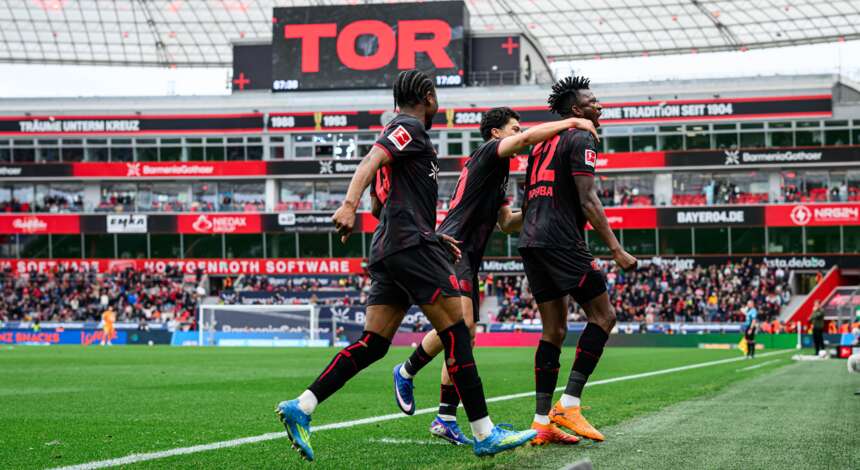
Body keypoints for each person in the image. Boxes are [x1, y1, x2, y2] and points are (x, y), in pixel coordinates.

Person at [275, 70, 535, 461]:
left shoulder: (411, 134)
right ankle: (484, 432)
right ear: (428, 96)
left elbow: (389, 201)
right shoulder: (408, 127)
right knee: (458, 333)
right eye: (437, 97)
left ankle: (303, 406)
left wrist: (430, 235)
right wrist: (349, 204)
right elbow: (371, 159)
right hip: (407, 247)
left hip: (397, 246)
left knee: (373, 343)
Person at [390, 107, 599, 446]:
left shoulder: (497, 172)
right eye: (514, 129)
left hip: (468, 257)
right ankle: (408, 372)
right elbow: (530, 139)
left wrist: (535, 205)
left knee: (462, 334)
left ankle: (443, 415)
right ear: (496, 134)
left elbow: (505, 222)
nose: (520, 133)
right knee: (463, 329)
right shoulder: (489, 153)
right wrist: (573, 122)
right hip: (453, 248)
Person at [518, 76, 638, 443]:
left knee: (552, 330)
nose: (598, 106)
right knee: (604, 317)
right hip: (560, 240)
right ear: (576, 110)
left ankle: (541, 423)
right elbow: (588, 200)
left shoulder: (541, 144)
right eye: (593, 101)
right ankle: (569, 404)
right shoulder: (582, 136)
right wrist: (616, 249)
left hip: (531, 241)